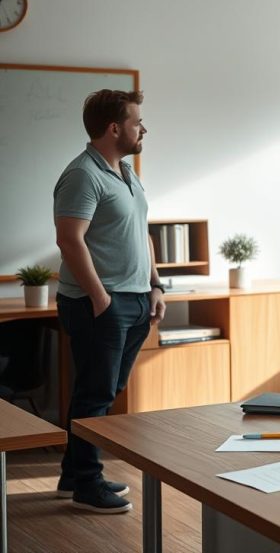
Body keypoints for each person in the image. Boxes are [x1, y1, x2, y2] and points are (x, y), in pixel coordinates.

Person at [53, 89, 166, 513]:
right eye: (138, 122)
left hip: (135, 300)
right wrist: (100, 297)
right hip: (100, 303)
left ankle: (72, 472)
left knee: (106, 389)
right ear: (114, 128)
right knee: (95, 394)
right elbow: (69, 239)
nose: (144, 129)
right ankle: (87, 483)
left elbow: (142, 231)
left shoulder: (127, 172)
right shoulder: (83, 175)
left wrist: (156, 285)